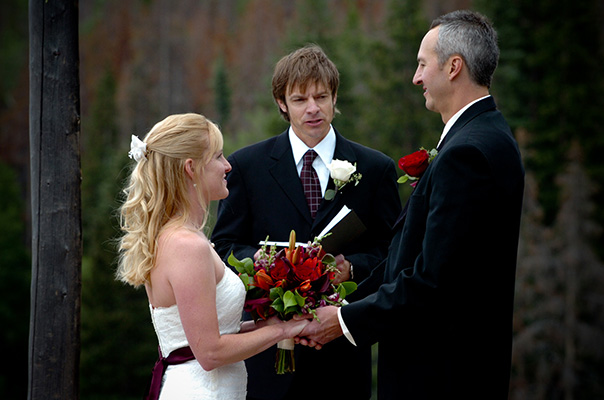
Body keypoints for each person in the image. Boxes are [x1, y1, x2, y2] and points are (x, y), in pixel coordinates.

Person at [297, 10, 525, 399]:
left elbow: (434, 281)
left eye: (422, 64)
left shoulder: (467, 153)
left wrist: (342, 320)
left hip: (441, 374)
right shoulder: (485, 137)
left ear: (454, 67)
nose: (416, 77)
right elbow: (410, 256)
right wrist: (340, 300)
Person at [211, 45, 402, 400]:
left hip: (343, 357)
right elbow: (223, 248)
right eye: (299, 99)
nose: (312, 108)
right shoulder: (247, 167)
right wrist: (269, 267)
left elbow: (393, 253)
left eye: (321, 96)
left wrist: (352, 269)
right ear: (281, 104)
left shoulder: (376, 169)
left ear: (334, 98)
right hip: (266, 355)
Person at [115, 113, 309, 400]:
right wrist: (284, 331)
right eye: (217, 156)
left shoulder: (182, 237)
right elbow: (209, 352)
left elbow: (206, 334)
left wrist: (265, 325)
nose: (227, 166)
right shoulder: (186, 246)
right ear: (191, 168)